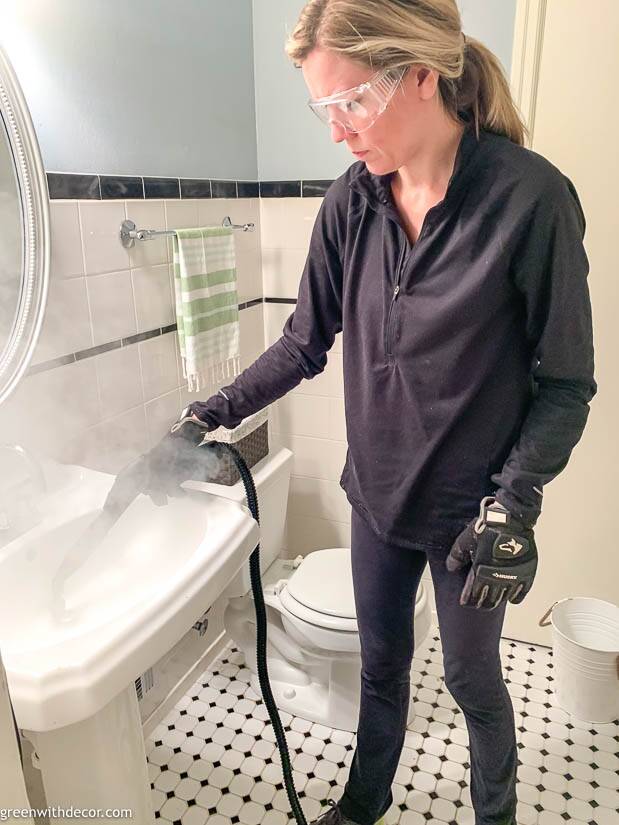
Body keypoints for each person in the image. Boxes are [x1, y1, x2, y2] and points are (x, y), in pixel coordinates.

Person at [177, 2, 596, 823]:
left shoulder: (529, 200)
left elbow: (565, 385)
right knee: (378, 667)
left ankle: (495, 814)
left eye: (349, 104)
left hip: (470, 518)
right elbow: (303, 343)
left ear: (418, 75)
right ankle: (364, 803)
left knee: (472, 680)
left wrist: (515, 502)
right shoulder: (350, 203)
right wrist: (205, 417)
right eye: (322, 109)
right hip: (374, 497)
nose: (337, 132)